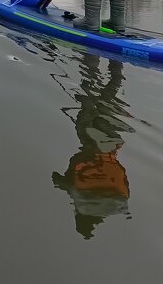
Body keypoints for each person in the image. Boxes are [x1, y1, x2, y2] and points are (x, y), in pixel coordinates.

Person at [51, 56, 132, 239]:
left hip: (112, 142)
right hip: (90, 138)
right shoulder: (77, 195)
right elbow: (58, 179)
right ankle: (91, 58)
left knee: (109, 97)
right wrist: (58, 182)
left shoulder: (118, 200)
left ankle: (116, 64)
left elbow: (125, 180)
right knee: (88, 96)